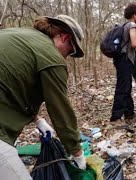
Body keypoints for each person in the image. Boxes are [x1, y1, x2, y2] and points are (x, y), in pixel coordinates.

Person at [0, 15, 86, 179]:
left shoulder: (19, 35)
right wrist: (77, 153)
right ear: (65, 37)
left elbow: (11, 82)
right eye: (70, 51)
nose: (66, 57)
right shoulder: (51, 57)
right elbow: (61, 111)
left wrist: (37, 119)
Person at [110, 3, 136, 122]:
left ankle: (129, 113)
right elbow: (134, 44)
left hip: (121, 60)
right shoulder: (132, 25)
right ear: (134, 15)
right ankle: (116, 116)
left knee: (127, 86)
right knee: (123, 87)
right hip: (125, 60)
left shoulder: (124, 25)